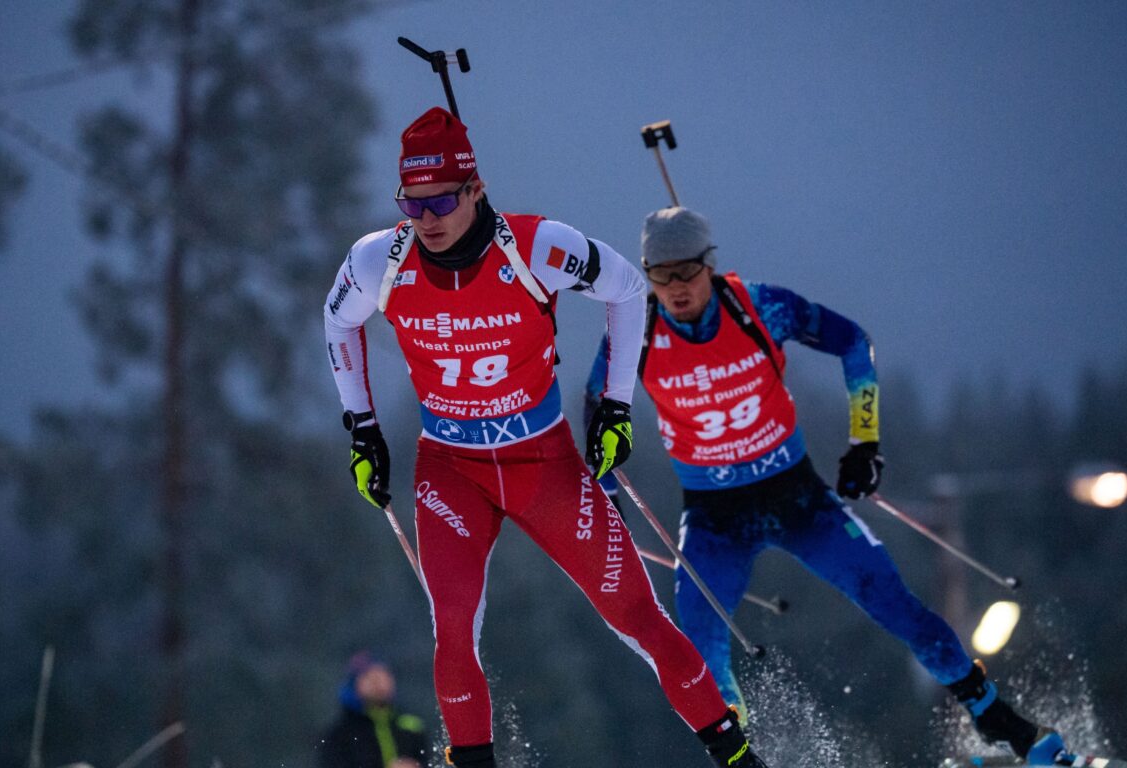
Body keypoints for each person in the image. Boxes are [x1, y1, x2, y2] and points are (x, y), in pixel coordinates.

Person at [323, 108, 767, 768]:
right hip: (451, 469)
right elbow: (337, 326)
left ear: (475, 189)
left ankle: (738, 759)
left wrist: (614, 407)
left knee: (638, 621)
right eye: (412, 204)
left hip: (544, 463)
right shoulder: (377, 260)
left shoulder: (535, 246)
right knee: (453, 629)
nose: (427, 218)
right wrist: (363, 431)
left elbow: (624, 291)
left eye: (443, 198)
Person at [584, 206, 1068, 765]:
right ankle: (736, 756)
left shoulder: (760, 306)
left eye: (687, 271)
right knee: (697, 640)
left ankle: (998, 720)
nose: (676, 288)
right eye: (660, 274)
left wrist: (865, 442)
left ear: (710, 266)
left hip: (798, 501)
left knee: (892, 602)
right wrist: (607, 486)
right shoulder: (636, 331)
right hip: (715, 520)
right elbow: (597, 398)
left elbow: (852, 342)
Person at [318, 652, 431, 768]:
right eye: (369, 677)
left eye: (383, 675)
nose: (378, 683)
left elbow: (429, 761)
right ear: (354, 684)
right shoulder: (340, 734)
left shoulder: (412, 725)